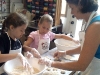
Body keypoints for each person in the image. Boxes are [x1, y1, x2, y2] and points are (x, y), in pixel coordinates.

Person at [38, 0, 100, 75]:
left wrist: (51, 63)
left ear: (80, 4)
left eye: (72, 8)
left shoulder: (95, 26)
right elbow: (85, 48)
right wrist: (65, 52)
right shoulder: (90, 21)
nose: (71, 13)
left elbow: (81, 65)